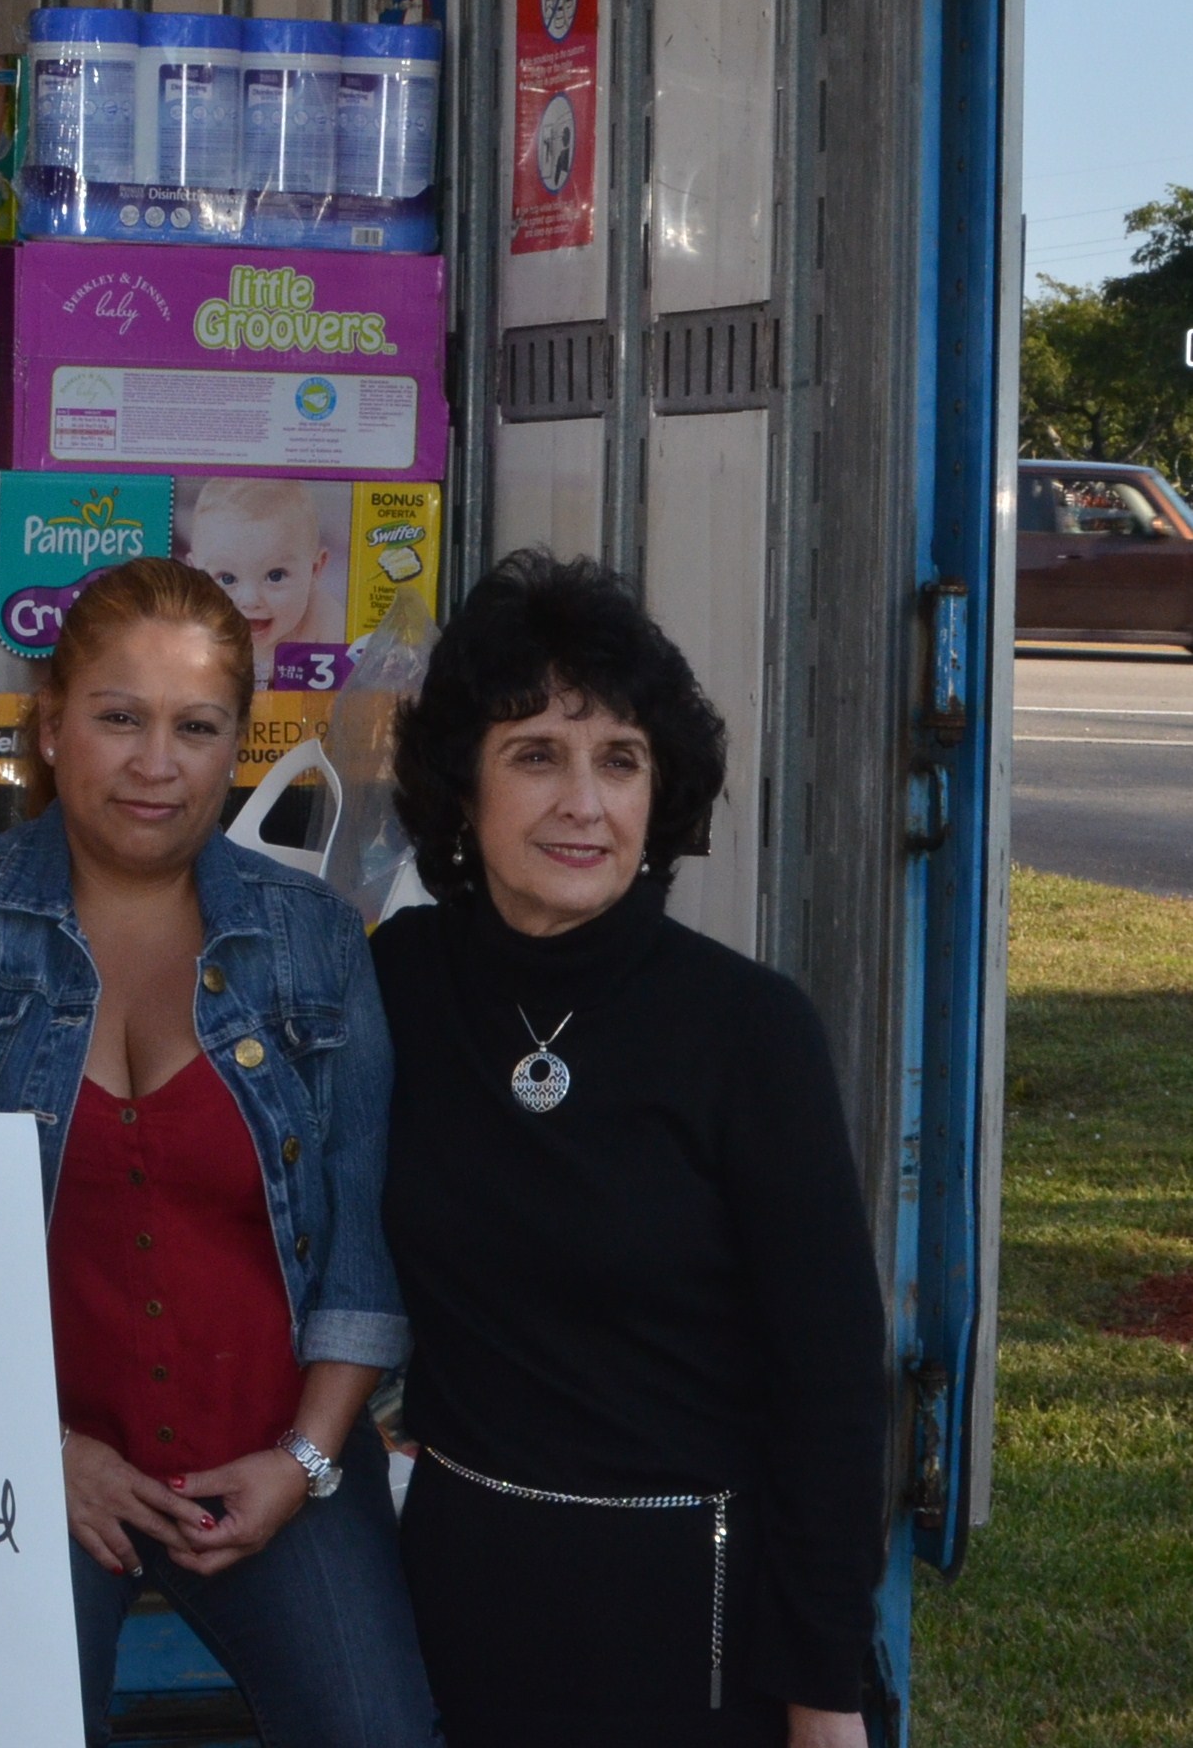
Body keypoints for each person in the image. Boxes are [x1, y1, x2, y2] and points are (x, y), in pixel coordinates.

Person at [0, 558, 436, 1744]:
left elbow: (360, 1245)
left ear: (235, 745)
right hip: (30, 1459)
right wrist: (40, 1451)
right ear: (49, 724)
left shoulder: (315, 940)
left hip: (272, 1452)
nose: (154, 763)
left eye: (194, 726)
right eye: (118, 718)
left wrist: (302, 1460)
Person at [374, 553, 888, 1747]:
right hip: (457, 1608)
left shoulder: (747, 1030)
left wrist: (823, 1693)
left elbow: (828, 1391)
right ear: (460, 786)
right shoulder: (396, 986)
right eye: (534, 754)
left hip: (692, 1631)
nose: (582, 802)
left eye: (618, 759)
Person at [180, 478, 337, 691]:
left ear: (314, 570)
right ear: (193, 574)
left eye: (275, 576)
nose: (251, 600)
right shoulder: (193, 630)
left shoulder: (323, 623)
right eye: (227, 578)